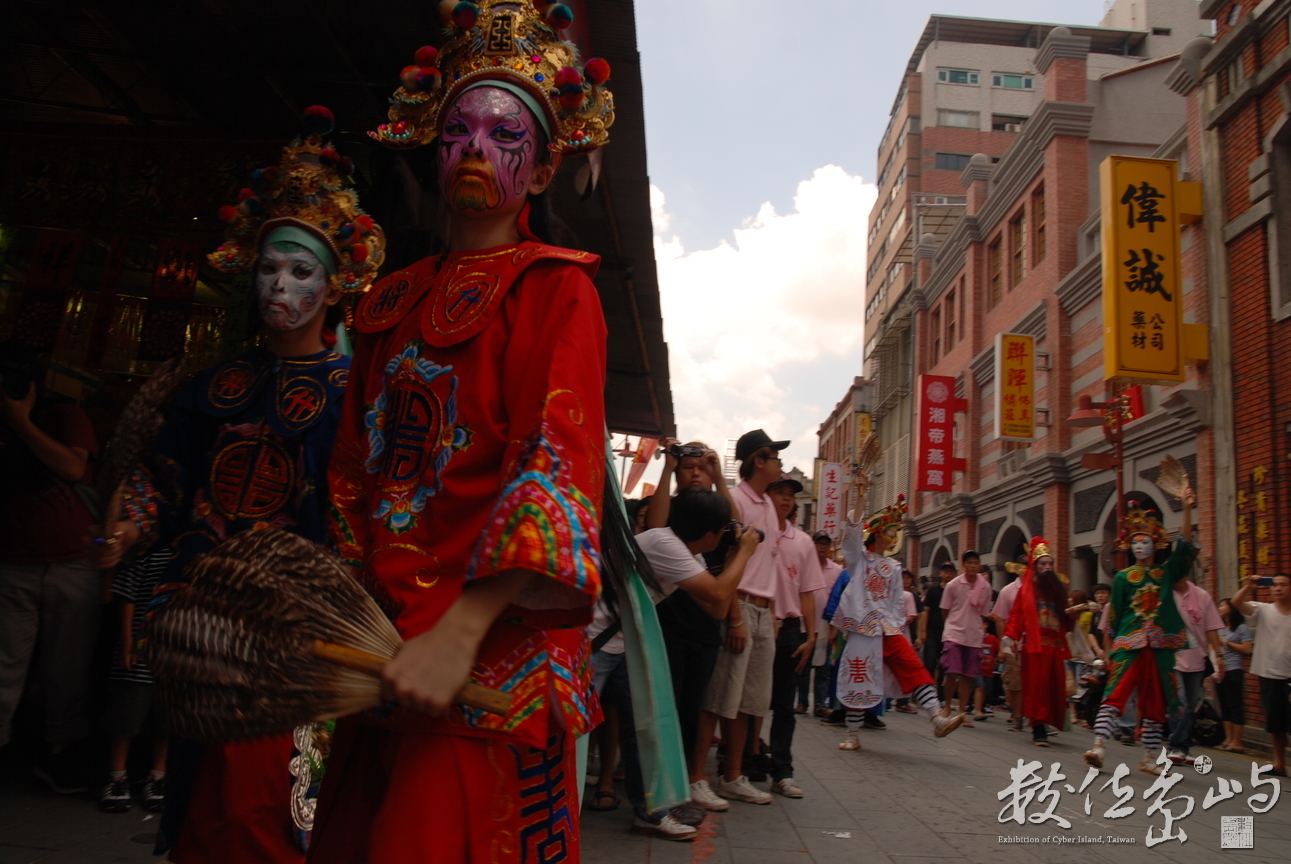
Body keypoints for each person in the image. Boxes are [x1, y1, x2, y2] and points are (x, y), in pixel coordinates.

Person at [308, 11, 620, 858]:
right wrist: (352, 617)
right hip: (379, 659)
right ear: (432, 148)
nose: (477, 147)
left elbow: (552, 468)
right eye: (457, 129)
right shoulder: (385, 304)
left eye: (504, 132)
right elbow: (349, 481)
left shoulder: (556, 292)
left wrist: (456, 632)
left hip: (485, 667)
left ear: (545, 163)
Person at [96, 108, 379, 862]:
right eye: (268, 266)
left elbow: (365, 520)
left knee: (280, 813)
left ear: (334, 283)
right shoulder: (211, 384)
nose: (279, 284)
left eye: (300, 268)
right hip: (205, 636)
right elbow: (165, 481)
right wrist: (129, 526)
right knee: (201, 813)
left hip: (301, 649)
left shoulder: (357, 395)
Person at [588, 488, 757, 840]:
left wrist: (735, 558)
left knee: (645, 729)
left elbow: (718, 608)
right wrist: (744, 551)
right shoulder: (665, 544)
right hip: (594, 641)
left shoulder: (686, 554)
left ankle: (650, 813)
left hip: (621, 646)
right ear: (709, 533)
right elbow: (715, 594)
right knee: (570, 726)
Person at [0, 340, 100, 794]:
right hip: (14, 563)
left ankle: (59, 759)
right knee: (4, 670)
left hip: (71, 563)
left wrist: (21, 421)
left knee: (67, 671)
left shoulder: (64, 415)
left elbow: (74, 468)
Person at [691, 429, 787, 807]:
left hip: (764, 611)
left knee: (750, 702)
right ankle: (697, 776)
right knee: (719, 697)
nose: (779, 463)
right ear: (758, 461)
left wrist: (775, 613)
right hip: (741, 606)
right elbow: (730, 563)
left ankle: (733, 774)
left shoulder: (768, 506)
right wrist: (733, 618)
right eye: (774, 457)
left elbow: (771, 567)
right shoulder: (738, 502)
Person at [825, 495, 962, 750]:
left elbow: (897, 602)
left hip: (888, 628)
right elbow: (852, 535)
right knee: (859, 678)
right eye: (890, 531)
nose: (894, 536)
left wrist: (901, 628)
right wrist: (861, 494)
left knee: (913, 666)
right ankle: (853, 734)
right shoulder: (859, 559)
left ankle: (936, 717)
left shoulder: (894, 567)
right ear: (877, 534)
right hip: (862, 629)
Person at [1084, 505, 1196, 776]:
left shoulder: (1164, 574)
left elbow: (1183, 548)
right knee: (1115, 694)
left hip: (1158, 647)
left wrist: (1187, 509)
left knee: (1156, 703)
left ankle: (1148, 758)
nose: (1139, 547)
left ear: (1155, 544)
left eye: (1144, 541)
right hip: (1129, 644)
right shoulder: (1123, 577)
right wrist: (1109, 651)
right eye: (1134, 542)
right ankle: (1099, 746)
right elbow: (1114, 616)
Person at [98, 548, 172, 814]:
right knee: (125, 716)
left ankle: (158, 776)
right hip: (140, 647)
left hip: (176, 652)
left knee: (169, 719)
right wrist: (128, 640)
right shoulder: (146, 552)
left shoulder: (193, 549)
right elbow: (127, 596)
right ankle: (116, 777)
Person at [764, 478, 823, 798]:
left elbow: (808, 593)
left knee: (785, 706)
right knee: (752, 703)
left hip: (789, 631)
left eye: (790, 495)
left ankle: (783, 771)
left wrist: (810, 635)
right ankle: (741, 763)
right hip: (759, 622)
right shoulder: (756, 533)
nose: (785, 499)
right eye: (779, 492)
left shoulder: (802, 542)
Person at [1002, 538, 1073, 747]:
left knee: (1054, 688)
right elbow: (1016, 616)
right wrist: (1011, 637)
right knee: (1037, 688)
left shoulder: (1058, 591)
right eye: (1043, 564)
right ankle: (1038, 726)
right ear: (1035, 565)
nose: (1047, 568)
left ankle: (1047, 721)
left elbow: (1065, 621)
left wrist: (1073, 613)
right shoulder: (1026, 591)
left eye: (1050, 564)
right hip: (1035, 647)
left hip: (1054, 646)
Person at [1231, 573, 1291, 777]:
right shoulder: (1263, 610)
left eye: (1283, 585)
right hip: (1269, 674)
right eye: (1275, 585)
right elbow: (1236, 602)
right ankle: (1279, 763)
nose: (1278, 588)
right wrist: (1249, 587)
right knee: (1275, 723)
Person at [1165, 572, 1225, 764]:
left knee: (1190, 706)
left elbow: (1212, 628)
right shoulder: (1164, 595)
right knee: (1179, 703)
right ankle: (1176, 746)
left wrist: (1219, 655)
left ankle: (1185, 745)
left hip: (1197, 659)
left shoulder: (1202, 596)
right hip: (1172, 659)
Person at [939, 551, 993, 725]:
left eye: (975, 563)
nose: (972, 566)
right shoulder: (953, 585)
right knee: (952, 671)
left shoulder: (985, 587)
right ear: (963, 564)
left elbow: (984, 613)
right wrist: (952, 625)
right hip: (954, 633)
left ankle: (962, 712)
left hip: (974, 636)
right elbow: (945, 609)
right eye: (969, 562)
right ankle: (947, 706)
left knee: (968, 676)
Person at [647, 438, 735, 530]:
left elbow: (735, 525)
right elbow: (655, 527)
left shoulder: (717, 508)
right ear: (677, 474)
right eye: (688, 467)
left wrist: (718, 478)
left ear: (711, 476)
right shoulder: (667, 507)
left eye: (702, 468)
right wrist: (668, 469)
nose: (695, 473)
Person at [799, 532, 842, 716]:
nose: (822, 547)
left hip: (825, 626)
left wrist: (834, 626)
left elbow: (839, 599)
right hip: (805, 624)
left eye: (826, 544)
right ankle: (802, 703)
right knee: (803, 666)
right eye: (819, 543)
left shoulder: (836, 570)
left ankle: (819, 705)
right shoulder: (805, 567)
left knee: (823, 668)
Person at [1214, 598, 1252, 753]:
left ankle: (1238, 741)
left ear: (1232, 608)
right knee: (1224, 705)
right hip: (1220, 670)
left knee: (1235, 705)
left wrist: (1227, 643)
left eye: (1223, 605)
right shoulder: (1219, 627)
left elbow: (1247, 649)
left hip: (1234, 669)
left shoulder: (1241, 628)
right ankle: (1228, 739)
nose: (1220, 608)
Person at [992, 567, 1026, 732]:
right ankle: (1017, 715)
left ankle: (1034, 717)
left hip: (1033, 643)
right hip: (1013, 643)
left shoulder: (1038, 589)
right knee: (1015, 682)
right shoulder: (1008, 591)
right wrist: (1003, 645)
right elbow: (1000, 619)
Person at [918, 562, 955, 685]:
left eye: (950, 571)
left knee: (945, 665)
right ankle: (927, 690)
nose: (948, 573)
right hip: (932, 633)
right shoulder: (933, 591)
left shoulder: (955, 591)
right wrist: (923, 632)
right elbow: (926, 612)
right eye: (945, 571)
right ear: (940, 573)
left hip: (949, 634)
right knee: (930, 662)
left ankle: (940, 694)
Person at [895, 570, 924, 714]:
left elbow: (918, 615)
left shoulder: (911, 596)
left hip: (905, 637)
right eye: (902, 578)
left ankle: (903, 700)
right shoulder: (888, 594)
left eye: (907, 578)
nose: (905, 581)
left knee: (907, 669)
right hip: (890, 636)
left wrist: (920, 635)